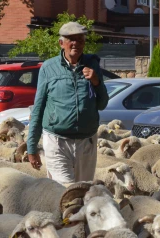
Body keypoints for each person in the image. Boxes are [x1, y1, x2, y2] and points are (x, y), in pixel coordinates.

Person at [26, 22, 109, 185]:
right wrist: (32, 147)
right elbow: (39, 108)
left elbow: (102, 104)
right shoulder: (48, 68)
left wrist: (96, 81)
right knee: (65, 190)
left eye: (80, 39)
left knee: (83, 190)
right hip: (57, 141)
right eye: (71, 39)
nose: (76, 43)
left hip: (86, 141)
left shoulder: (92, 65)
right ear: (61, 43)